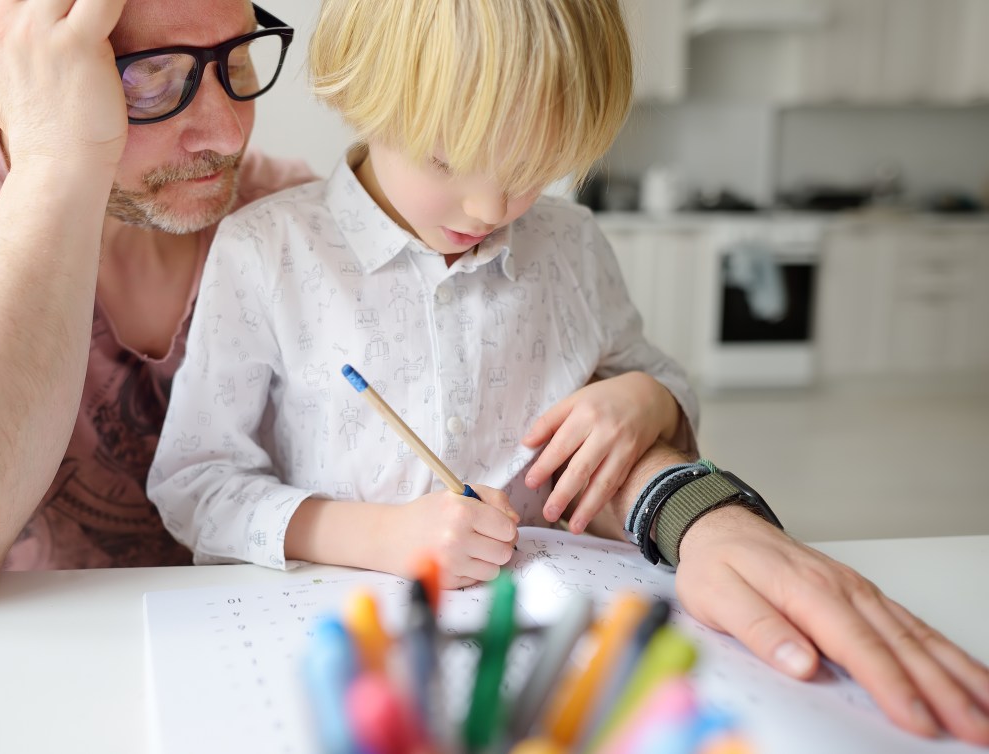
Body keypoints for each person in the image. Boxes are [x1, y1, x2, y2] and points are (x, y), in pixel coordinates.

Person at [148, 0, 989, 745]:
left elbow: (653, 378)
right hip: (339, 643)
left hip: (552, 641)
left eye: (527, 173)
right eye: (447, 161)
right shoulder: (267, 252)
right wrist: (377, 535)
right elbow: (194, 483)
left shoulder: (572, 243)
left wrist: (645, 397)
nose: (486, 209)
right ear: (369, 93)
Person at [0, 0, 314, 605]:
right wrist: (55, 158)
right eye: (148, 78)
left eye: (239, 60)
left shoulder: (287, 215)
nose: (227, 135)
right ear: (3, 58)